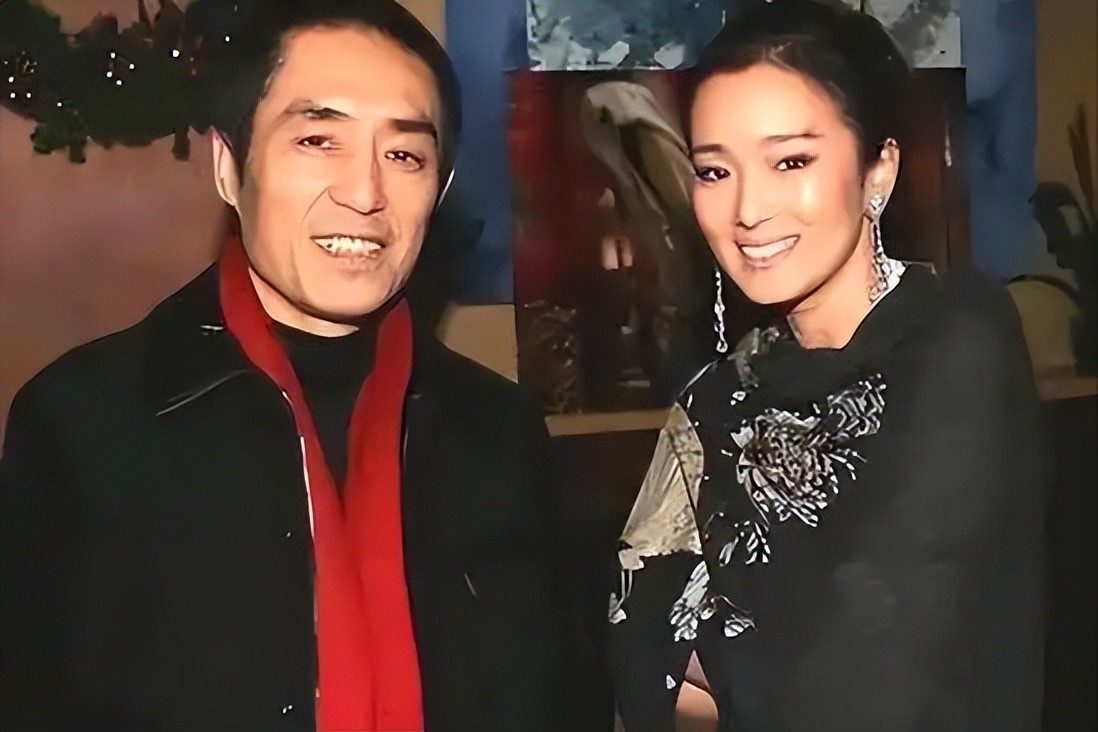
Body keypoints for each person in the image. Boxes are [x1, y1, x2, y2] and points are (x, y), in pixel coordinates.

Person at [0, 1, 562, 730]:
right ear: (229, 167)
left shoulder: (498, 434)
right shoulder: (85, 427)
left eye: (404, 156)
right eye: (318, 140)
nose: (364, 194)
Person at [607, 1, 1046, 730]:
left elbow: (876, 671)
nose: (748, 209)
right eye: (714, 170)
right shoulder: (719, 393)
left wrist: (714, 645)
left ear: (879, 170)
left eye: (791, 161)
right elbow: (635, 640)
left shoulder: (956, 338)